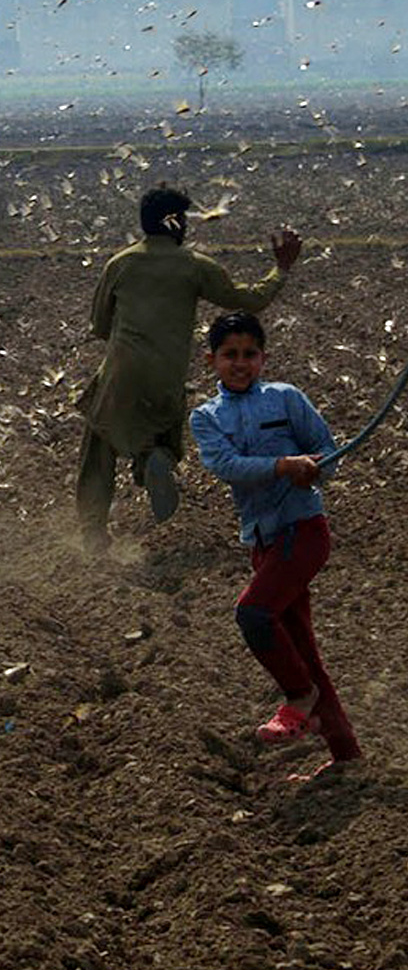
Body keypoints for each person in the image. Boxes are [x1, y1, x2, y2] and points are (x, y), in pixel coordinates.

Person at [74, 185, 301, 552]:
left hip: (121, 373)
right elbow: (249, 300)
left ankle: (93, 534)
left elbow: (99, 325)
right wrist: (281, 269)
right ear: (177, 223)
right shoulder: (195, 266)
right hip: (167, 375)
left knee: (100, 446)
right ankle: (153, 460)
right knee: (160, 429)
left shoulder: (121, 264)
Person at [189, 311, 360, 777]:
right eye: (230, 355)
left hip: (303, 532)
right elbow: (226, 465)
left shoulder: (286, 398)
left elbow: (327, 450)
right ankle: (346, 755)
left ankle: (299, 699)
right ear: (212, 361)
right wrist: (284, 465)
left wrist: (315, 469)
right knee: (302, 649)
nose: (240, 363)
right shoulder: (206, 418)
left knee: (253, 614)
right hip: (264, 542)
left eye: (249, 354)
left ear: (263, 358)